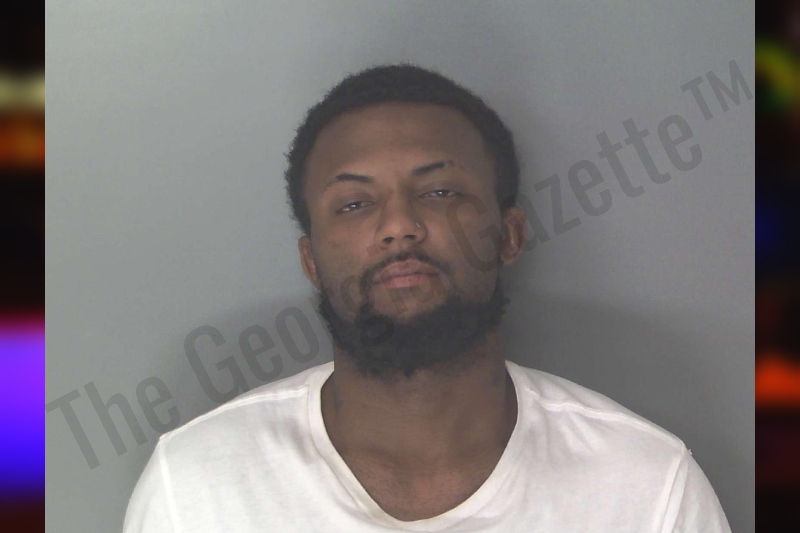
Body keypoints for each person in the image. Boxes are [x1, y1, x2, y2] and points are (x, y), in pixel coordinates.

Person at [123, 64, 731, 532]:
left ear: (509, 234)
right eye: (354, 203)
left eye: (440, 192)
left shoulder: (647, 487)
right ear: (310, 261)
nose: (399, 227)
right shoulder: (196, 488)